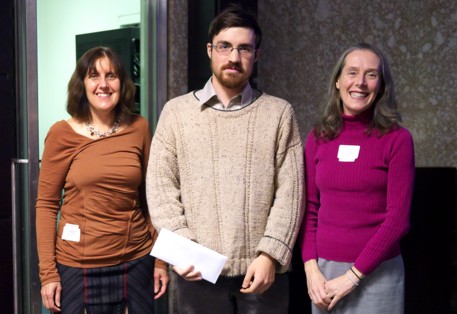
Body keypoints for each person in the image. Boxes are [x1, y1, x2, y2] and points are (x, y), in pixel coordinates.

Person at [146, 5, 304, 314]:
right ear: (210, 50)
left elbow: (291, 193)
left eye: (244, 48)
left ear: (256, 55)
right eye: (225, 47)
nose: (233, 57)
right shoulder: (176, 113)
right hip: (196, 272)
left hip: (261, 274)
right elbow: (160, 188)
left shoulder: (279, 113)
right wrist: (182, 249)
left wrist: (270, 254)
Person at [36, 46, 169, 313]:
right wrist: (48, 273)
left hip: (137, 260)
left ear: (122, 83)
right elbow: (47, 205)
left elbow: (151, 197)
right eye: (93, 76)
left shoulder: (139, 127)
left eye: (111, 76)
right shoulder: (62, 134)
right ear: (82, 84)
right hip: (78, 265)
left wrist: (160, 260)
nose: (103, 84)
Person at [299, 42, 415, 313]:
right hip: (323, 274)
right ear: (338, 81)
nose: (360, 82)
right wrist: (310, 268)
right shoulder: (318, 137)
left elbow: (397, 221)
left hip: (378, 274)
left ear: (382, 86)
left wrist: (353, 277)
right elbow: (309, 209)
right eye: (352, 72)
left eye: (371, 75)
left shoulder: (397, 140)